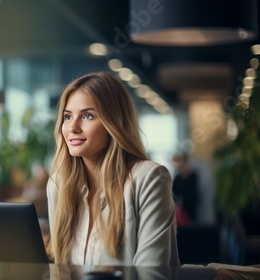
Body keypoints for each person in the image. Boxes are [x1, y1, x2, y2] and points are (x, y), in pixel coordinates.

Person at [46, 71, 180, 266]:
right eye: (67, 116)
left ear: (114, 123)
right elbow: (61, 269)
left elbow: (152, 275)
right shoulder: (58, 185)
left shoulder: (149, 179)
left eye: (88, 116)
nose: (72, 127)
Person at [172, 151, 199, 224]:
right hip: (181, 204)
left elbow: (194, 188)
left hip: (191, 203)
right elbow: (174, 191)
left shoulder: (193, 176)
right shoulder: (177, 177)